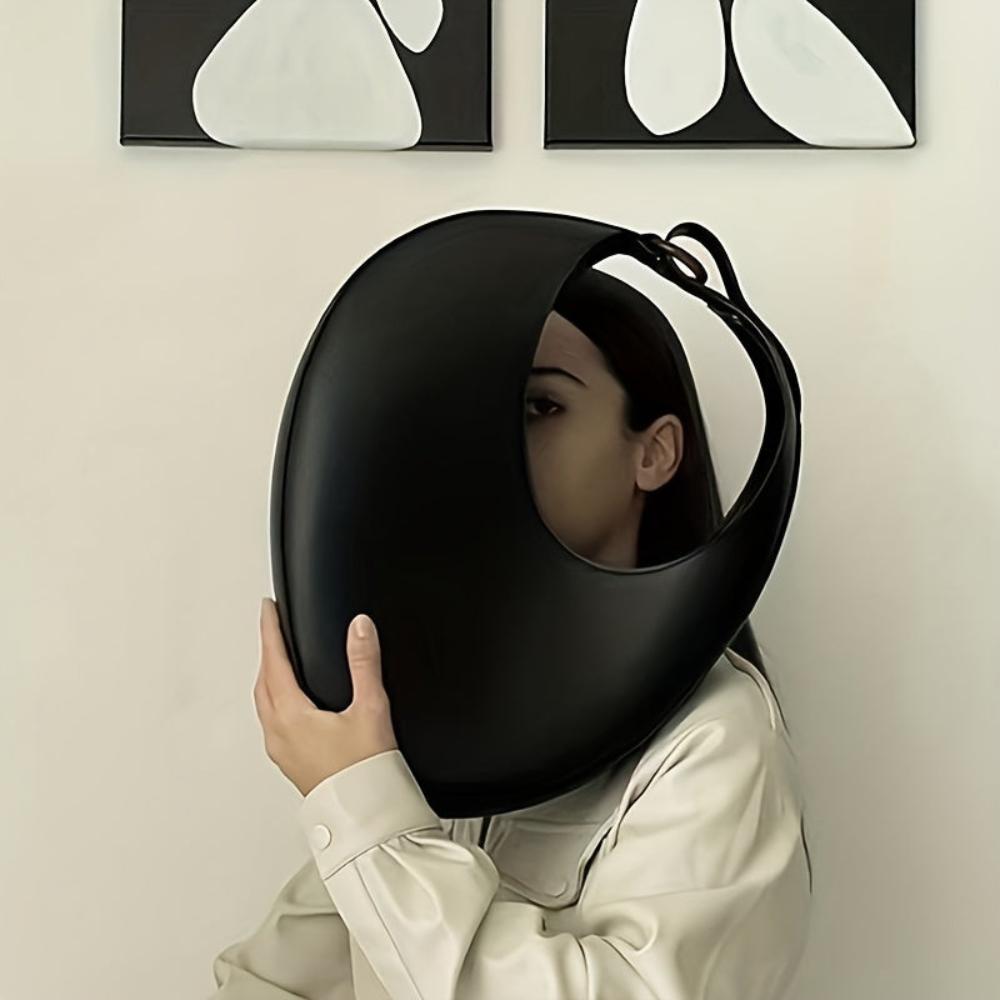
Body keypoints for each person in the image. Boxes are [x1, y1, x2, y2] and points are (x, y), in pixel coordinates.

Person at [207, 267, 814, 999]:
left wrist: (359, 804)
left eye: (539, 406)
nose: (489, 444)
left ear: (653, 453)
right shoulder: (458, 705)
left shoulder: (715, 732)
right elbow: (278, 980)